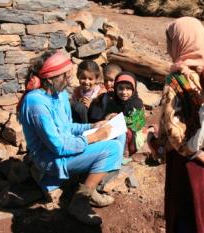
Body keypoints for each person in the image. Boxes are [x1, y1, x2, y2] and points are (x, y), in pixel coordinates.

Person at [17, 50, 125, 225]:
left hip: (64, 147)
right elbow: (57, 145)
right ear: (50, 77)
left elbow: (67, 127)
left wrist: (93, 126)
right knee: (112, 149)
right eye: (65, 76)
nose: (69, 80)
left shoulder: (58, 94)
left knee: (116, 134)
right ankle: (80, 201)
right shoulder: (36, 103)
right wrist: (94, 137)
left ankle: (89, 188)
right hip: (50, 159)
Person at [158, 17, 204, 233]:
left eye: (170, 41)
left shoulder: (176, 79)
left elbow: (173, 128)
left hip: (187, 161)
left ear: (180, 42)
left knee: (186, 212)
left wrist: (194, 153)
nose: (167, 47)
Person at [104, 71, 151, 158]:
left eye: (128, 89)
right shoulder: (113, 102)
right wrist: (108, 117)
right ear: (115, 88)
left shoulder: (137, 103)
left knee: (124, 131)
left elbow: (138, 125)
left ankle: (123, 154)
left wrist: (120, 119)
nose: (124, 92)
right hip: (114, 134)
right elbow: (105, 118)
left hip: (133, 136)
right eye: (121, 88)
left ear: (133, 89)